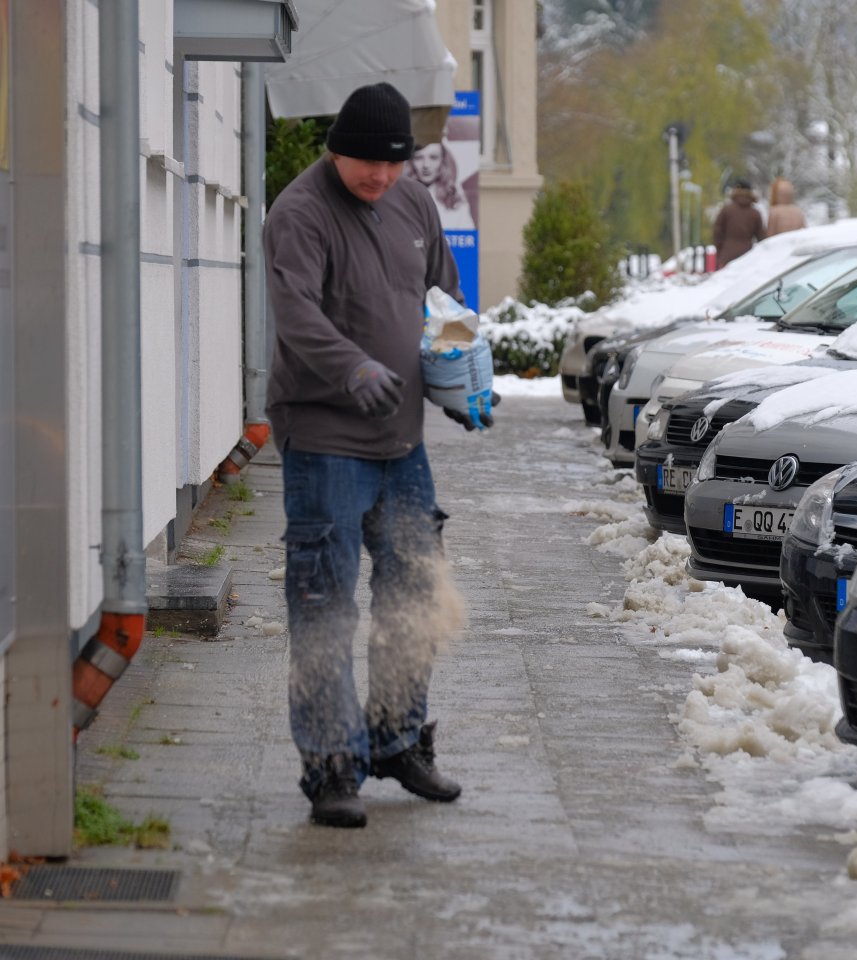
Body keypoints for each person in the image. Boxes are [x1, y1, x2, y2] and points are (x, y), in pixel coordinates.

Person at [263, 82, 489, 829]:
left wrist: (459, 373)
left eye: (394, 165)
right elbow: (295, 312)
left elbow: (444, 303)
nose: (380, 178)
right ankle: (331, 766)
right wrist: (350, 367)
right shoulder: (300, 213)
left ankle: (396, 739)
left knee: (414, 593)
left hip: (402, 444)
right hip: (326, 439)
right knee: (324, 602)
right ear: (337, 147)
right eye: (367, 163)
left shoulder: (414, 204)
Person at [406, 141, 476, 230]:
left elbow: (467, 238)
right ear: (411, 161)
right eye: (419, 158)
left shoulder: (455, 199)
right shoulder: (401, 197)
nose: (426, 165)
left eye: (433, 158)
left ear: (443, 161)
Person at [712, 178, 767, 269]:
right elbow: (762, 238)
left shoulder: (726, 210)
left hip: (727, 255)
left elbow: (717, 232)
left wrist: (720, 251)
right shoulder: (755, 213)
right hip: (747, 256)